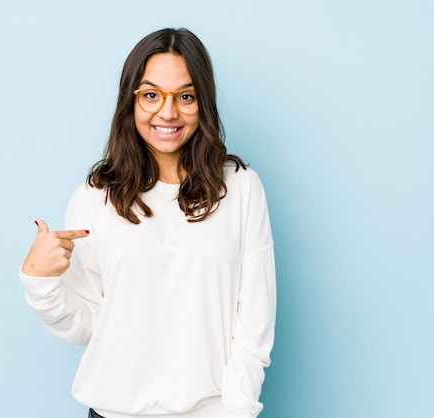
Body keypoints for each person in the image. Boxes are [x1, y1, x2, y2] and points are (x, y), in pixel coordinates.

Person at [20, 28, 276, 418]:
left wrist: (238, 409)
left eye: (185, 97)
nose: (168, 112)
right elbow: (86, 323)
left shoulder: (240, 188)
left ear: (203, 103)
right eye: (151, 94)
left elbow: (255, 316)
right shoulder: (96, 197)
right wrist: (39, 282)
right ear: (131, 101)